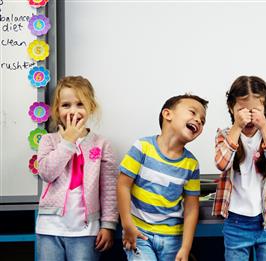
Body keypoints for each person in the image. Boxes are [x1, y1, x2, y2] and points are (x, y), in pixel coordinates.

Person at [36, 76, 118, 260]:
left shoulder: (101, 144)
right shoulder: (48, 141)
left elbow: (109, 190)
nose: (73, 111)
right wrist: (68, 141)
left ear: (91, 108)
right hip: (49, 228)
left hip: (86, 231)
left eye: (80, 104)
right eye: (66, 105)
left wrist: (108, 225)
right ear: (57, 110)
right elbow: (47, 173)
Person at [117, 94, 207, 261]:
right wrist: (127, 224)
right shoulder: (142, 148)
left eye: (202, 120)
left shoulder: (191, 164)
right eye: (193, 112)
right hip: (139, 234)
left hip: (172, 238)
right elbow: (123, 185)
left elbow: (191, 208)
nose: (199, 121)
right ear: (168, 114)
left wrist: (185, 248)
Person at [212, 76, 266, 261]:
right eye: (242, 110)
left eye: (255, 111)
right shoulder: (224, 135)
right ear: (231, 108)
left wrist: (264, 128)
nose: (249, 116)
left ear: (265, 109)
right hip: (236, 222)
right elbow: (222, 163)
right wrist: (237, 126)